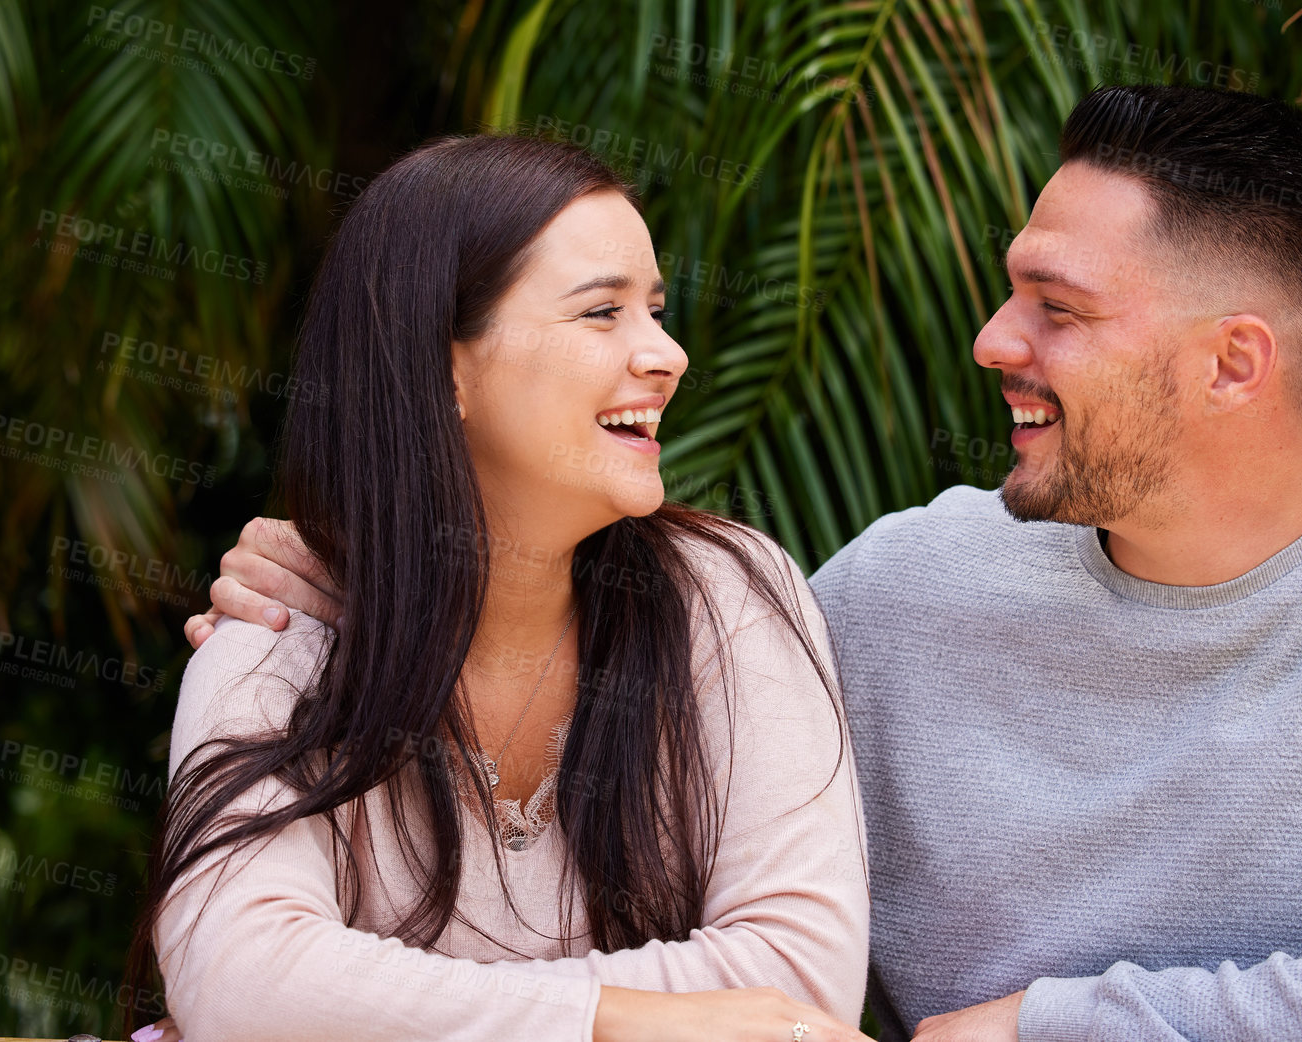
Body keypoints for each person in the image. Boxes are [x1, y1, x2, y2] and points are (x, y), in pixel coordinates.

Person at [189, 86, 1302, 1041]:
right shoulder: (891, 593)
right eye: (1009, 289)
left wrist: (1052, 1027)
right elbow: (603, 616)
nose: (993, 339)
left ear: (1235, 362)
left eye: (1055, 308)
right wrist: (347, 564)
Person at [130, 134, 872, 1042]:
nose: (668, 355)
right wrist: (616, 1023)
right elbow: (242, 984)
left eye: (655, 310)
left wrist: (367, 1004)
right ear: (446, 369)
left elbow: (799, 984)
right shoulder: (280, 631)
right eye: (602, 313)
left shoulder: (729, 598)